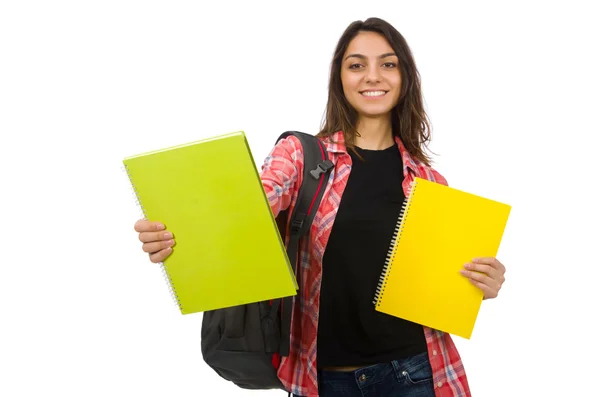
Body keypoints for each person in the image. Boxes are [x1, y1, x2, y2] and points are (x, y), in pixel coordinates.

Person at [133, 17, 506, 397]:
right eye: (356, 65)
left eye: (388, 64)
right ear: (340, 79)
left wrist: (479, 283)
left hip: (415, 374)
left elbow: (438, 290)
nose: (372, 76)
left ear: (405, 77)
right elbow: (248, 207)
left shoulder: (428, 182)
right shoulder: (300, 157)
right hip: (322, 381)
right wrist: (179, 231)